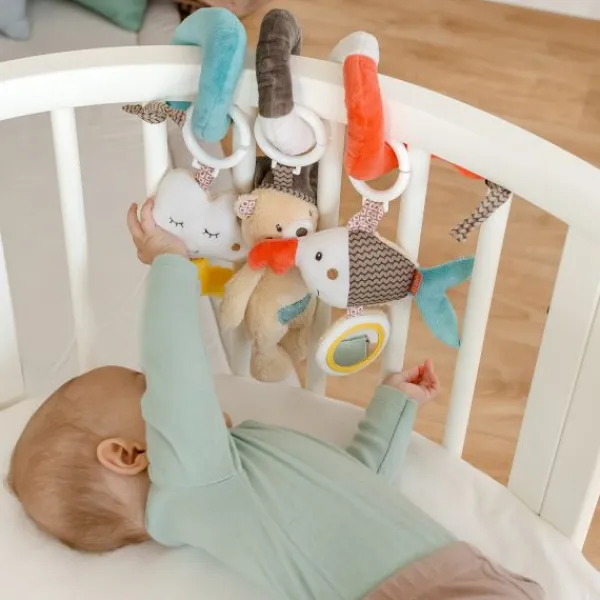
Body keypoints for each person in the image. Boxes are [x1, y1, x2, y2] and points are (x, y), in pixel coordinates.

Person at [8, 201, 544, 599]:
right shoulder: (190, 483)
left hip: (471, 576)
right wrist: (170, 262)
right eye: (146, 389)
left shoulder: (238, 476)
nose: (173, 391)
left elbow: (357, 484)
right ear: (129, 454)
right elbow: (175, 362)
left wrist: (392, 408)